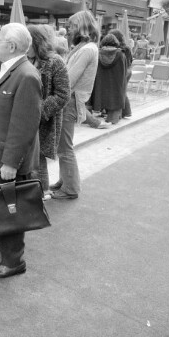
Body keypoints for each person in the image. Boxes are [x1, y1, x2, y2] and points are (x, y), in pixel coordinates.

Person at [0, 23, 42, 278]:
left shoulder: (26, 75)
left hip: (8, 159)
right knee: (3, 205)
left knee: (11, 207)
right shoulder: (12, 69)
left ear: (12, 46)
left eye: (0, 38)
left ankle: (13, 260)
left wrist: (11, 163)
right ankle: (5, 242)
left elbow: (24, 125)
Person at [50, 10, 99, 200]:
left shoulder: (86, 49)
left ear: (80, 26)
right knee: (63, 146)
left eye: (71, 26)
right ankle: (65, 181)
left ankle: (70, 188)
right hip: (71, 99)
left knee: (64, 147)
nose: (68, 29)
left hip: (70, 100)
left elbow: (68, 79)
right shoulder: (84, 47)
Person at [26, 24, 70, 199]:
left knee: (39, 156)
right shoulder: (27, 60)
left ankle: (41, 192)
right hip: (26, 117)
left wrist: (40, 110)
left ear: (36, 42)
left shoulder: (55, 62)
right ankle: (32, 191)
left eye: (27, 43)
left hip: (45, 119)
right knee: (30, 155)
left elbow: (63, 94)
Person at [90, 34, 127, 125]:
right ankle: (112, 118)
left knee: (101, 96)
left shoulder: (98, 54)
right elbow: (124, 71)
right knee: (114, 101)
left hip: (101, 83)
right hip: (116, 83)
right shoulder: (121, 55)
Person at [109, 29, 133, 119]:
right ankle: (125, 112)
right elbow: (130, 60)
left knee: (121, 91)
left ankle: (125, 112)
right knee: (122, 90)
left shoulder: (121, 49)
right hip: (128, 70)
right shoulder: (126, 48)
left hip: (124, 71)